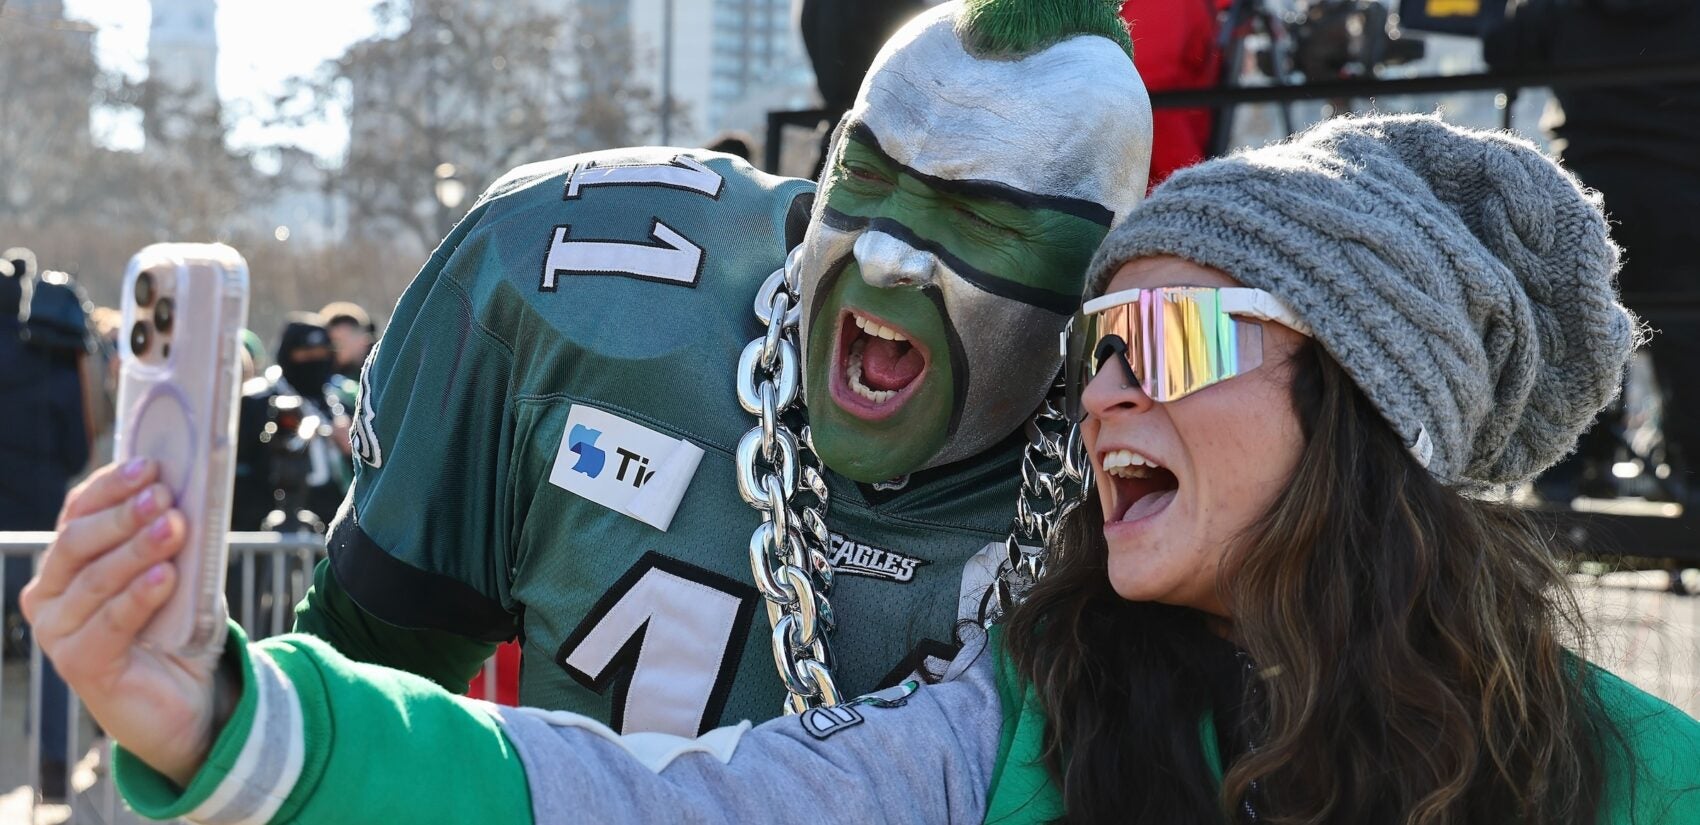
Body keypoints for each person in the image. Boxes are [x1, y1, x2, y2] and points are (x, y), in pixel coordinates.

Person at [27, 113, 1700, 824]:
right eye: (1099, 351)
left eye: (1176, 348)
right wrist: (225, 715)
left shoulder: (1638, 776)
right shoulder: (1017, 720)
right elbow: (641, 802)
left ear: (1367, 400)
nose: (1111, 398)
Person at [272, 0, 1152, 735]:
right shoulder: (567, 272)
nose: (886, 254)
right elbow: (353, 686)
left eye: (984, 219)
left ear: (1105, 271)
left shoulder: (1160, 453)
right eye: (870, 177)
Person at [0, 248, 94, 802]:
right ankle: (54, 769)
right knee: (52, 650)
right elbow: (77, 451)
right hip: (39, 533)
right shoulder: (54, 363)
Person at [318, 301, 375, 383]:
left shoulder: (380, 371)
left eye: (338, 343)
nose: (332, 350)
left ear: (363, 340)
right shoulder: (328, 375)